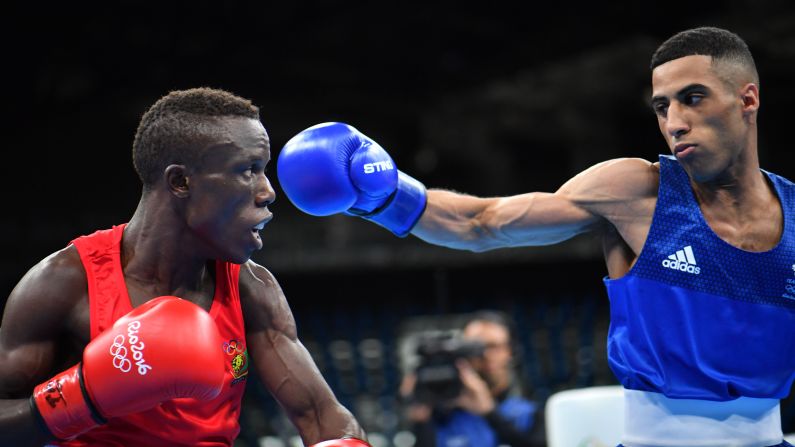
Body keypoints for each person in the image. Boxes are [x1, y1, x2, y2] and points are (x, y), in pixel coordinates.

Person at [276, 26, 795, 447]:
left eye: (693, 98)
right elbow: (481, 222)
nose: (675, 122)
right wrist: (384, 195)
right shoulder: (639, 191)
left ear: (747, 99)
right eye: (662, 107)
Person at [0, 87, 372, 447]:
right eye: (248, 169)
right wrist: (83, 397)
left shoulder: (251, 289)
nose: (268, 191)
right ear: (180, 181)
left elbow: (322, 416)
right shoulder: (64, 282)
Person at [399, 311, 545, 447]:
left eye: (493, 346)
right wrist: (421, 422)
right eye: (474, 347)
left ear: (510, 351)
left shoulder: (528, 414)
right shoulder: (442, 418)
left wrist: (490, 413)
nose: (485, 355)